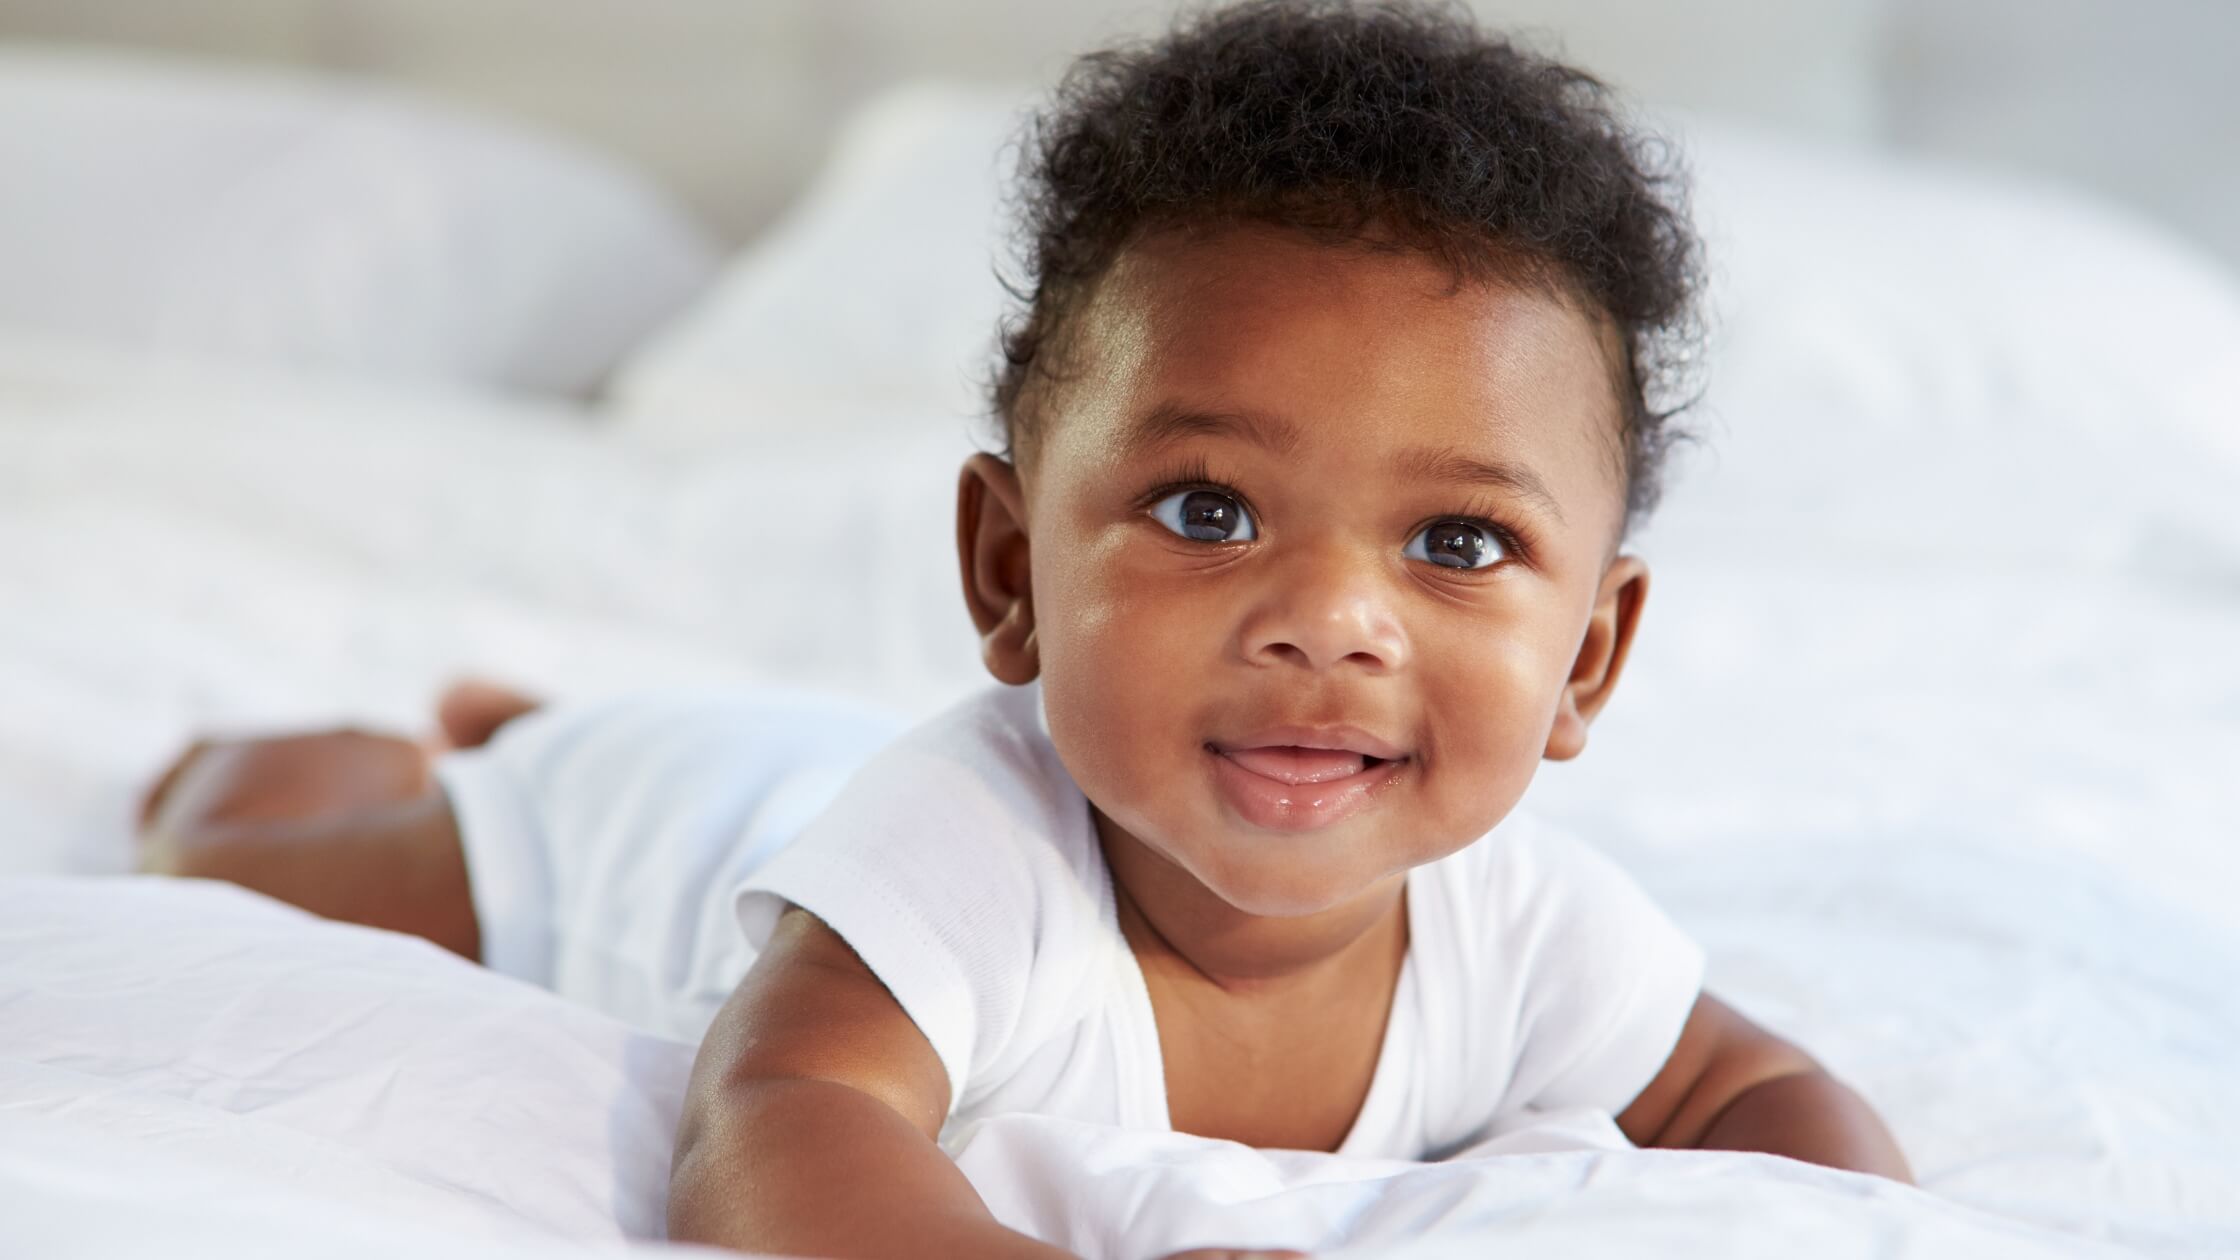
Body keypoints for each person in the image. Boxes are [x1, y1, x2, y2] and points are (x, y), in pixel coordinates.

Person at [138, 3, 1914, 1256]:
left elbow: (1754, 1094)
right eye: (1209, 510)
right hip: (643, 830)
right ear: (1006, 570)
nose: (1327, 624)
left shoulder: (1527, 932)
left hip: (795, 776)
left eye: (1458, 539)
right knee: (237, 862)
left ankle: (532, 710)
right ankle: (415, 751)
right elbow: (778, 1128)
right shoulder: (967, 852)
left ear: (1588, 660)